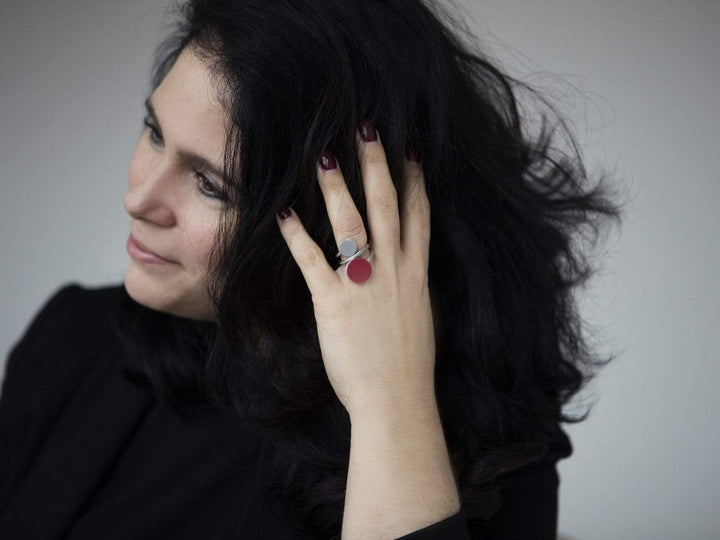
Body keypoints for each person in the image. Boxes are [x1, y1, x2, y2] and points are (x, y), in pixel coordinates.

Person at [0, 0, 625, 538]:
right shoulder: (74, 333)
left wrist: (390, 403)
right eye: (154, 132)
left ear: (338, 221)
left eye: (211, 185)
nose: (138, 201)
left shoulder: (488, 449)